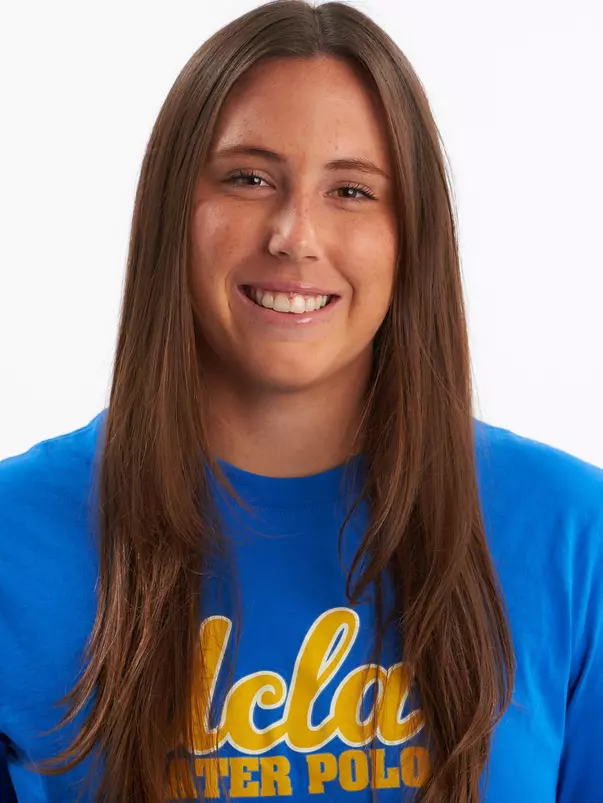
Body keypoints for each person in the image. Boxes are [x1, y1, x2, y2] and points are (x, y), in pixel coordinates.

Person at [1, 1, 602, 801]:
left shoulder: (572, 534)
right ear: (173, 210)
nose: (294, 234)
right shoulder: (13, 536)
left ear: (411, 236)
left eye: (351, 190)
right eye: (248, 178)